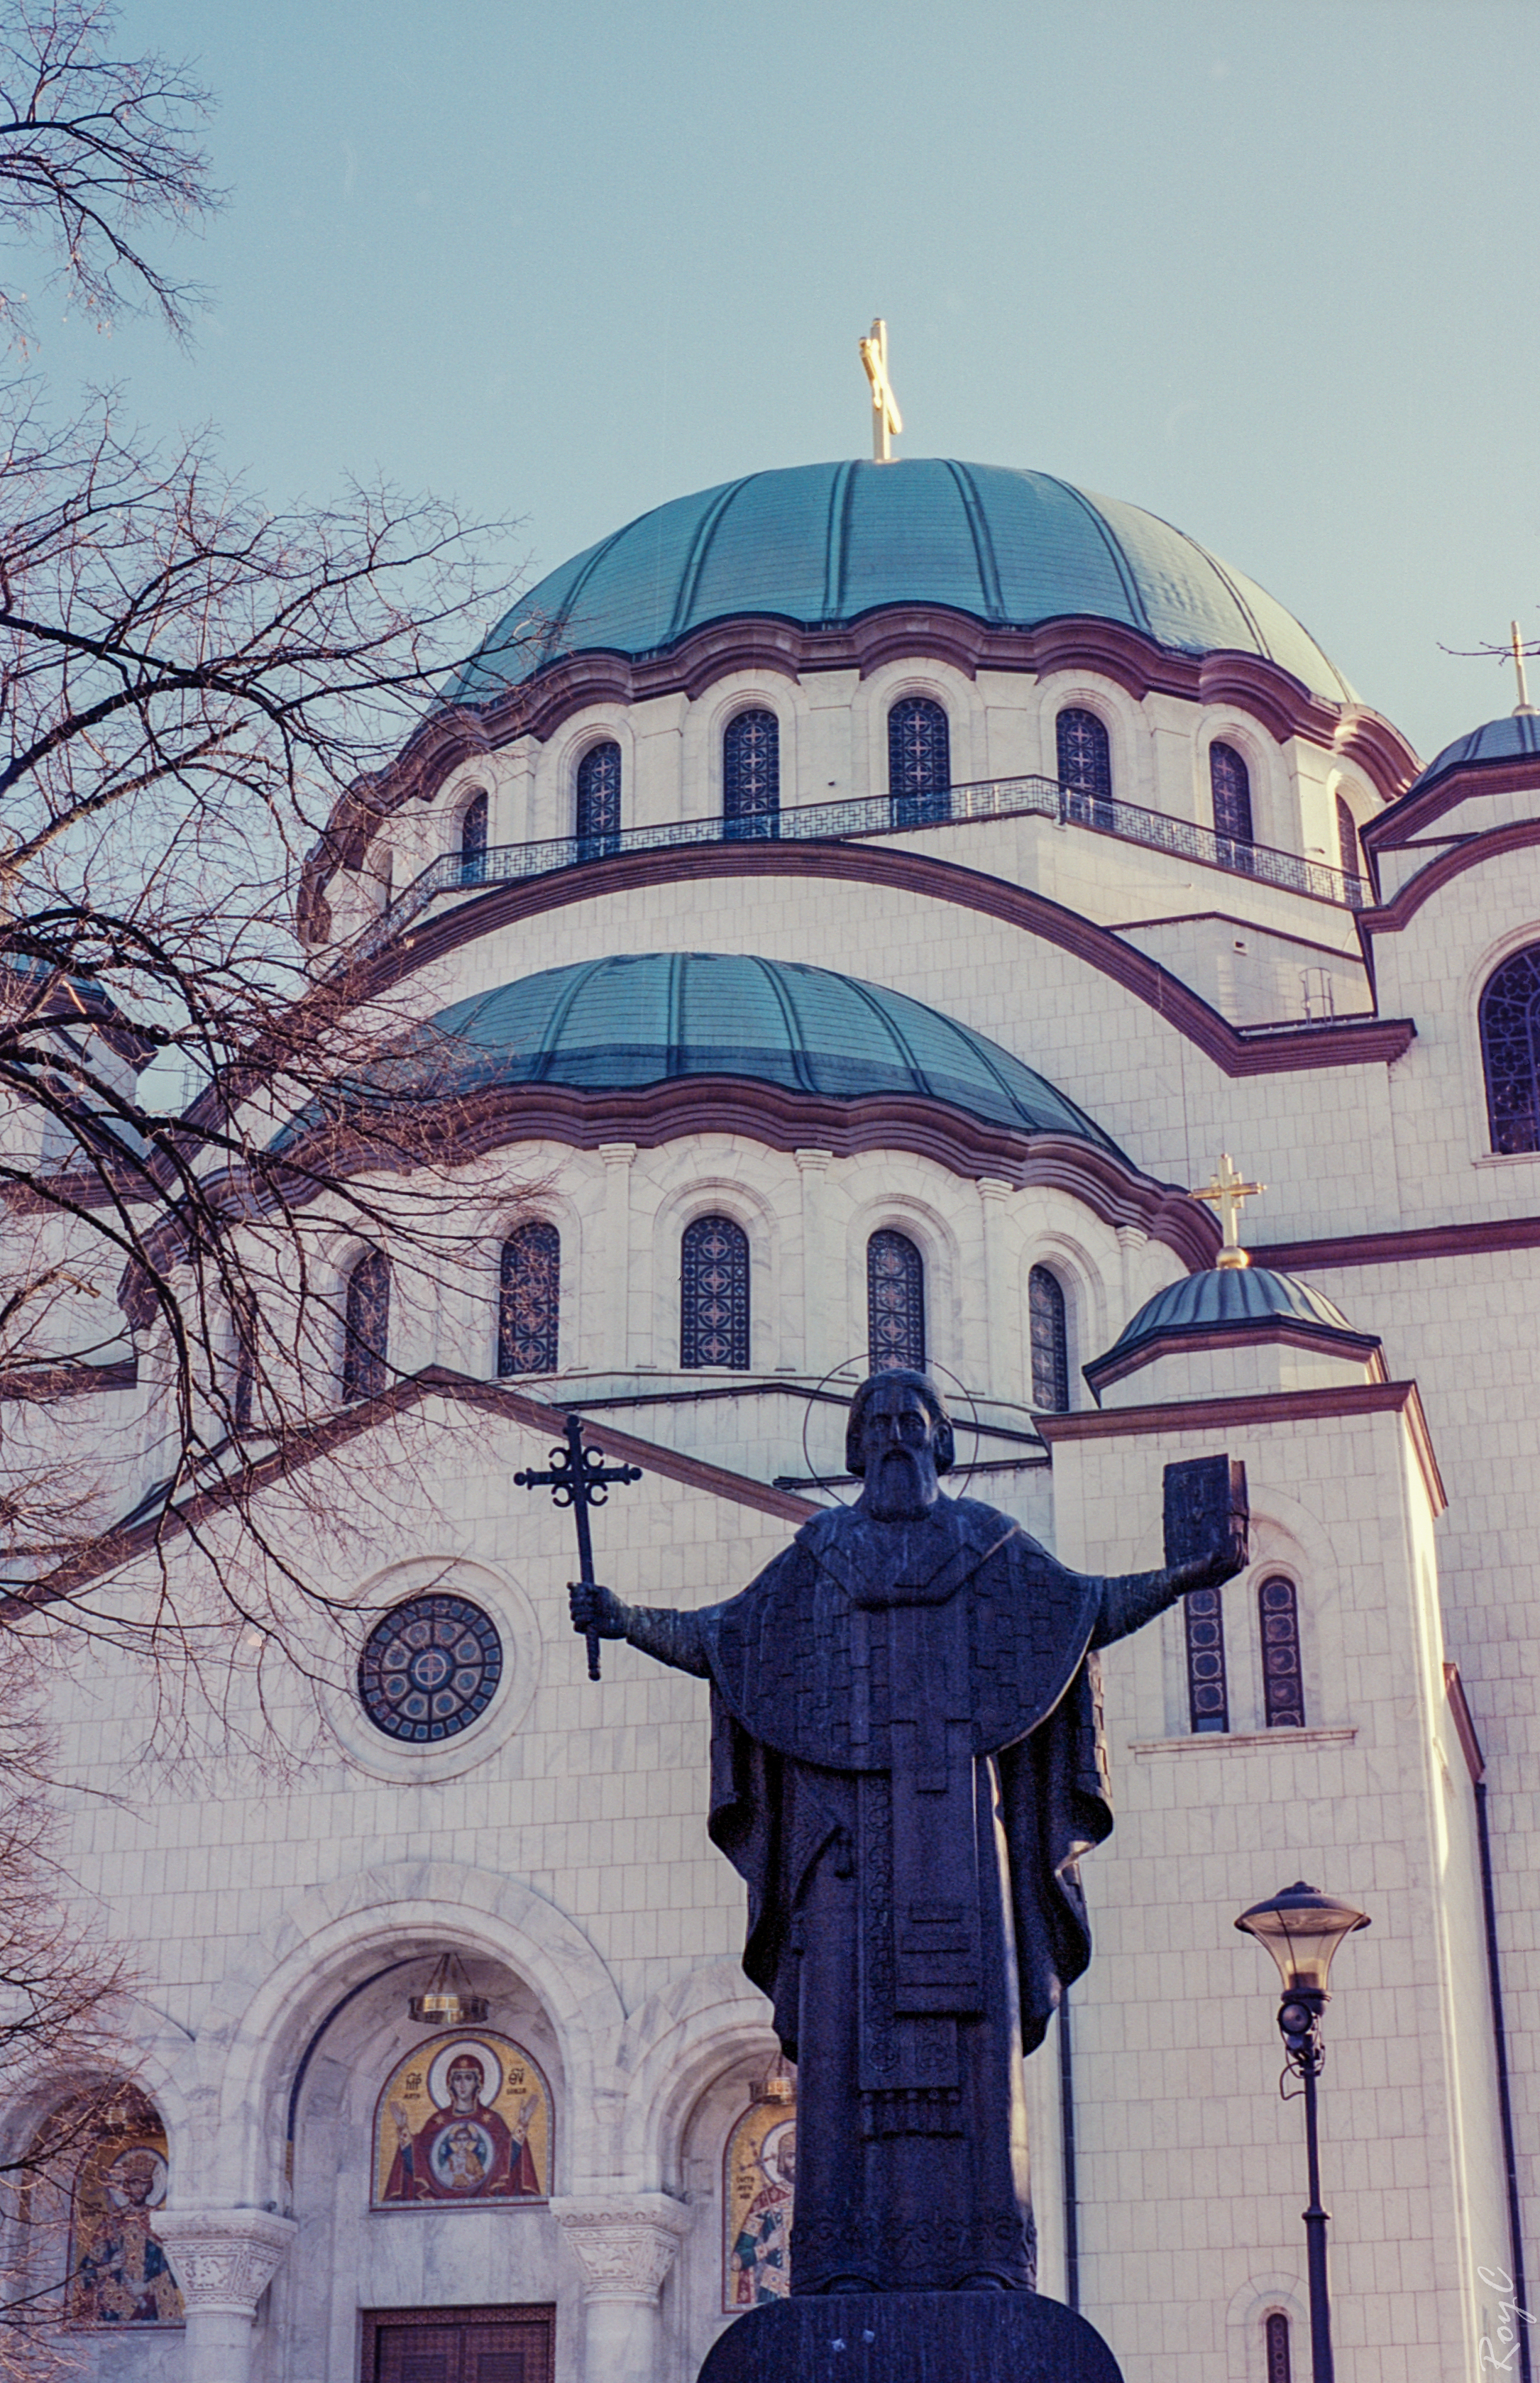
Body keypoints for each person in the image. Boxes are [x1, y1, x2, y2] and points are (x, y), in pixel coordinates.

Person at [571, 1368, 1245, 2295]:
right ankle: (838, 2262)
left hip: (962, 1838)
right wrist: (626, 1619)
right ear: (855, 1448)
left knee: (978, 2046)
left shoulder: (990, 1547)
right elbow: (726, 1639)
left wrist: (1185, 1575)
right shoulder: (819, 1553)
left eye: (911, 1420)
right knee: (839, 2042)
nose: (893, 1434)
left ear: (940, 1441)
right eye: (877, 1422)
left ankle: (986, 2260)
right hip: (840, 1849)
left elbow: (1082, 1611)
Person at [383, 2050, 540, 2201]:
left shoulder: (493, 2121)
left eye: (468, 2078)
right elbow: (420, 2166)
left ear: (478, 2082)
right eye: (457, 2078)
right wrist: (403, 2128)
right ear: (450, 2084)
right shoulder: (437, 2121)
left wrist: (522, 2123)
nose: (462, 2084)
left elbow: (505, 2162)